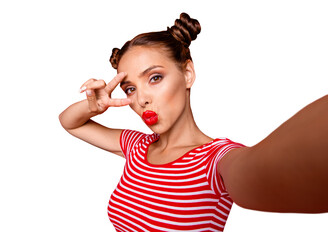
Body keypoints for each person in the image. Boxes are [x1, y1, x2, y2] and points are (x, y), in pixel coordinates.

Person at [59, 13, 328, 231]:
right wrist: (95, 105)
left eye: (154, 78)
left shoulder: (216, 160)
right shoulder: (136, 147)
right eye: (130, 89)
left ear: (187, 73)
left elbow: (262, 171)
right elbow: (71, 123)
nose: (141, 99)